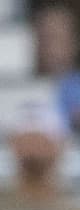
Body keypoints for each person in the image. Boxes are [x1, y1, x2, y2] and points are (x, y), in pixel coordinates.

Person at [33, 3, 80, 132]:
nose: (49, 47)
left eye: (56, 37)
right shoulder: (22, 87)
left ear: (74, 43)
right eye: (43, 38)